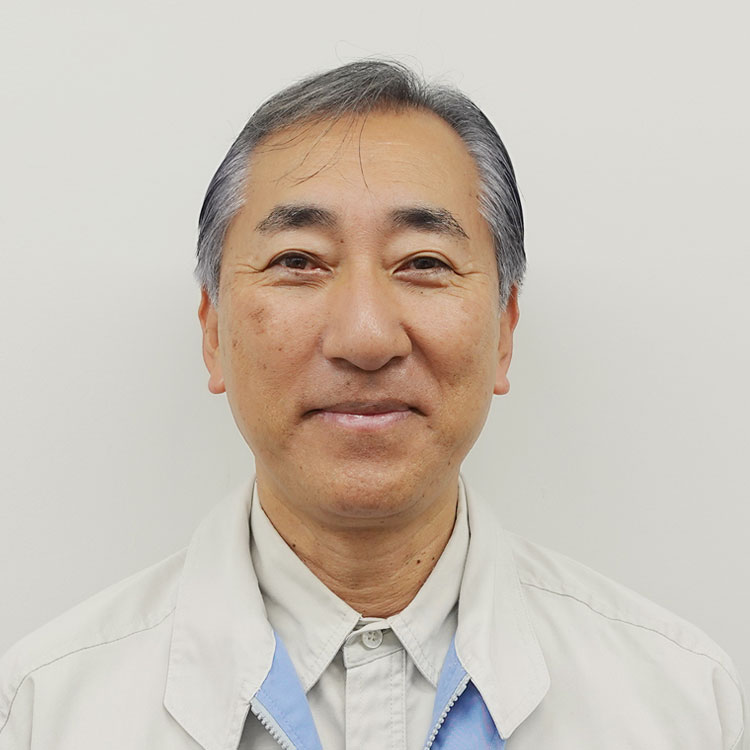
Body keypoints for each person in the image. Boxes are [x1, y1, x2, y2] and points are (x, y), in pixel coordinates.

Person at [0, 59, 746, 750]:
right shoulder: (48, 707)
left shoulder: (679, 702)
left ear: (505, 332)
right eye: (298, 261)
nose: (365, 337)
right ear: (213, 333)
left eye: (423, 263)